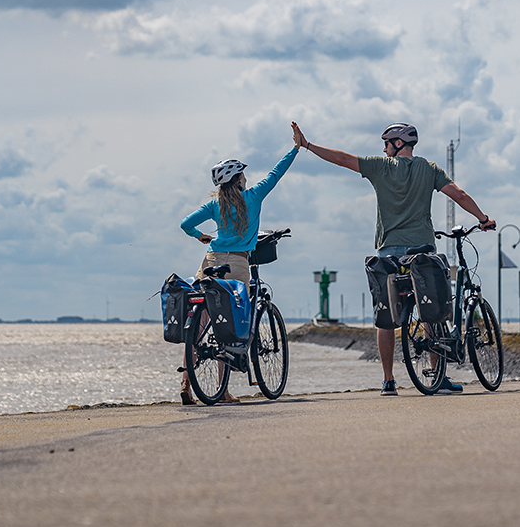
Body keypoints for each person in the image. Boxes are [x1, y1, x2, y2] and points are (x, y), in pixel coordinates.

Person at [290, 121, 496, 396]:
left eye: (386, 143)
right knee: (430, 311)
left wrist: (307, 145)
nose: (383, 148)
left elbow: (342, 159)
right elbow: (458, 194)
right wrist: (482, 219)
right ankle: (437, 376)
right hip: (422, 251)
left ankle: (388, 381)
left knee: (385, 317)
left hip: (388, 253)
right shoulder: (429, 168)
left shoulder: (381, 167)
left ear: (397, 144)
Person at [179, 130, 301, 404]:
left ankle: (186, 384)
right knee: (231, 325)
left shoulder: (214, 205)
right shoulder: (254, 196)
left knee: (200, 325)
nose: (246, 177)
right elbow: (276, 173)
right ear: (238, 179)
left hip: (210, 261)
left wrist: (201, 237)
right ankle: (221, 392)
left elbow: (185, 224)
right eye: (242, 174)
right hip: (237, 263)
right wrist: (296, 148)